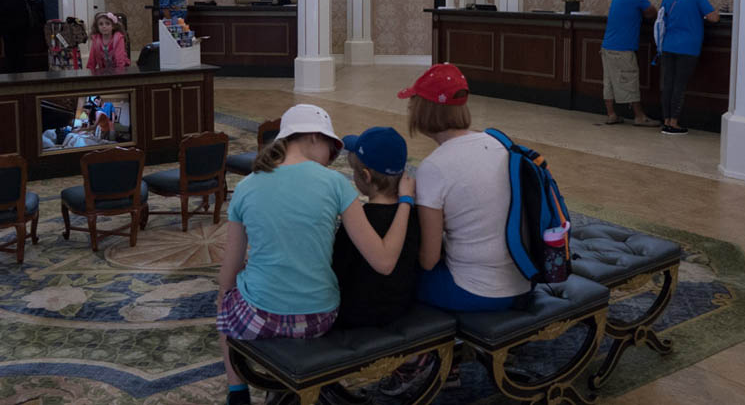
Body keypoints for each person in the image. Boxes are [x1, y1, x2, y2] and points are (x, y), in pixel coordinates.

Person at [216, 104, 416, 405]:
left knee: (222, 302)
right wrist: (405, 202)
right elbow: (384, 261)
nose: (332, 158)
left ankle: (237, 392)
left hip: (259, 318)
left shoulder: (246, 187)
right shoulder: (336, 184)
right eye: (331, 148)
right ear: (311, 138)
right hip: (319, 318)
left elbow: (227, 276)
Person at [399, 63, 530, 310]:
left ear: (423, 111)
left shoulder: (434, 167)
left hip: (476, 290)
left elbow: (429, 259)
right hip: (523, 280)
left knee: (394, 275)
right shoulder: (498, 143)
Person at [332, 126, 420, 330]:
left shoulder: (359, 220)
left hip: (356, 315)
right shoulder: (412, 215)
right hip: (399, 307)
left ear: (366, 176)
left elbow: (338, 270)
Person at [658, 0, 719, 135]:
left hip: (668, 45)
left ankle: (665, 121)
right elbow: (714, 18)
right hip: (688, 47)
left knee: (668, 84)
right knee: (679, 84)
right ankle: (674, 123)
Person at [600, 0, 660, 127]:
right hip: (623, 48)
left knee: (609, 81)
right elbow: (652, 14)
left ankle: (611, 114)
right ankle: (639, 116)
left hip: (607, 46)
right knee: (630, 79)